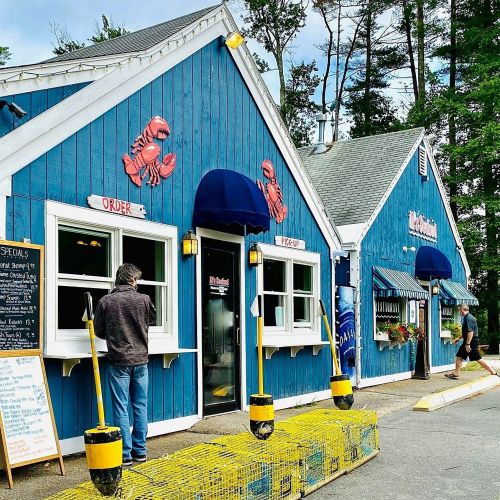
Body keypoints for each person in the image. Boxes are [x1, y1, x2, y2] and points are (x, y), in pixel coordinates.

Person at [94, 263, 156, 466]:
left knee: (120, 407)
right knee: (140, 405)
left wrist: (115, 333)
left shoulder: (106, 301)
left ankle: (125, 454)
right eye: (136, 279)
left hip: (118, 360)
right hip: (141, 360)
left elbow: (98, 331)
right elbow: (151, 320)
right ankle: (141, 451)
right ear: (132, 280)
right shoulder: (144, 299)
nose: (137, 283)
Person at [445, 303, 498, 379]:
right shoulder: (468, 317)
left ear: (462, 310)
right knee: (459, 356)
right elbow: (466, 332)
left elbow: (470, 333)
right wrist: (458, 338)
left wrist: (467, 344)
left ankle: (492, 371)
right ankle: (456, 373)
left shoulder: (468, 318)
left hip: (471, 342)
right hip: (468, 341)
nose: (459, 312)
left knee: (477, 358)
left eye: (459, 310)